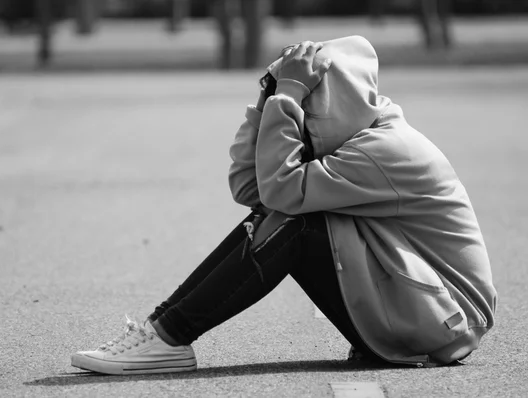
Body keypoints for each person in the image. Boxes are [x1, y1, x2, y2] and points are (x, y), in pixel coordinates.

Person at [70, 36, 497, 375]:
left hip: (445, 322)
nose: (296, 108)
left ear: (330, 101)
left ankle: (168, 336)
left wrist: (287, 97)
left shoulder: (385, 150)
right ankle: (164, 333)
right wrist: (268, 102)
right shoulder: (352, 130)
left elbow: (277, 194)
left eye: (307, 99)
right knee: (282, 213)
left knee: (295, 222)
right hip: (421, 309)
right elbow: (249, 189)